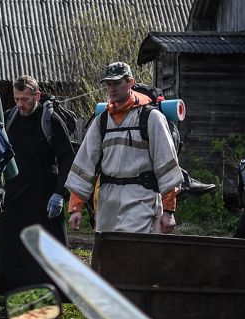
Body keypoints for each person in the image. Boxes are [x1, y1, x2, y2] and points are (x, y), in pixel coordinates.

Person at [64, 61, 181, 233]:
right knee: (107, 255)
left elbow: (166, 165)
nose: (112, 89)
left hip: (141, 199)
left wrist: (169, 210)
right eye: (109, 84)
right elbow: (84, 164)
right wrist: (76, 207)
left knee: (133, 253)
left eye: (117, 83)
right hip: (107, 201)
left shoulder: (151, 118)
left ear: (130, 82)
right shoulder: (101, 122)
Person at [0, 74, 72, 293]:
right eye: (16, 99)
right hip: (15, 191)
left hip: (43, 192)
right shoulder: (10, 118)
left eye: (25, 99)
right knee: (9, 240)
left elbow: (67, 159)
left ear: (36, 95)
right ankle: (11, 288)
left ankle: (48, 289)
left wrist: (59, 193)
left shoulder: (51, 120)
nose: (20, 104)